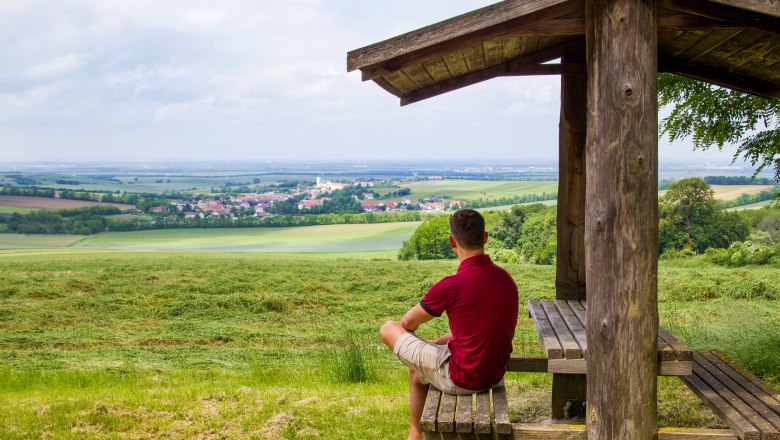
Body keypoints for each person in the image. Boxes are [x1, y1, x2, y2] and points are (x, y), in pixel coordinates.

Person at [379, 209, 519, 440]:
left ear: (452, 241)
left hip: (463, 379)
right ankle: (415, 433)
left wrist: (419, 342)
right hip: (493, 373)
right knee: (418, 371)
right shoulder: (505, 279)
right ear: (485, 237)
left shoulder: (451, 286)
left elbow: (406, 323)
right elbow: (476, 332)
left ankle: (415, 433)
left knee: (388, 328)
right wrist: (434, 344)